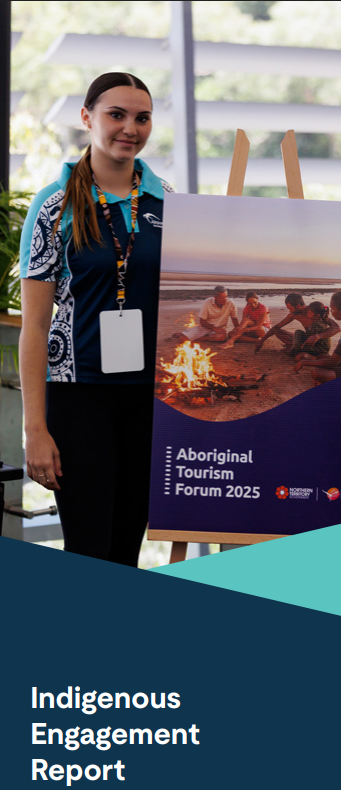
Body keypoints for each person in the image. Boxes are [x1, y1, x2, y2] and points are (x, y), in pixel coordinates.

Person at [19, 72, 172, 566]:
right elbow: (34, 328)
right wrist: (35, 429)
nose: (131, 128)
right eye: (117, 115)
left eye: (142, 118)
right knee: (87, 550)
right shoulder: (54, 206)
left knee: (126, 552)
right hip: (78, 395)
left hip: (150, 399)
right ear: (87, 117)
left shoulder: (170, 203)